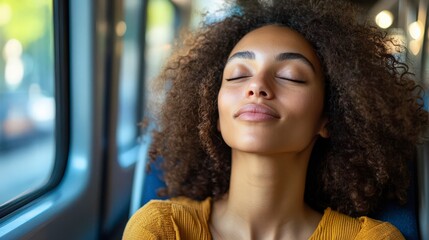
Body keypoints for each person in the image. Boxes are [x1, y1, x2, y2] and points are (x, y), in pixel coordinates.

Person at [123, 0, 428, 239]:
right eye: (238, 75)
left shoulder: (373, 239)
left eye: (290, 77)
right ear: (214, 115)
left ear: (329, 117)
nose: (257, 86)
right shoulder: (163, 229)